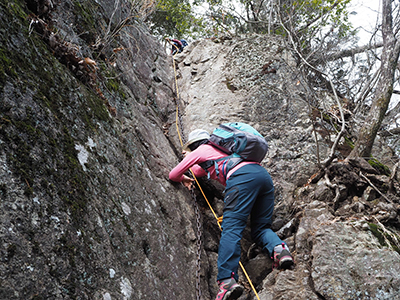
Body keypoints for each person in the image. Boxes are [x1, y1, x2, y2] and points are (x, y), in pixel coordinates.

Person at [169, 129, 294, 300]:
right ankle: (280, 250)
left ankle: (227, 280)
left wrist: (185, 171)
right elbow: (198, 172)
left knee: (231, 229)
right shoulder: (228, 150)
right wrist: (191, 161)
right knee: (261, 228)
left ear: (193, 145)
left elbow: (173, 174)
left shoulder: (200, 151)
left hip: (241, 178)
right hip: (263, 177)